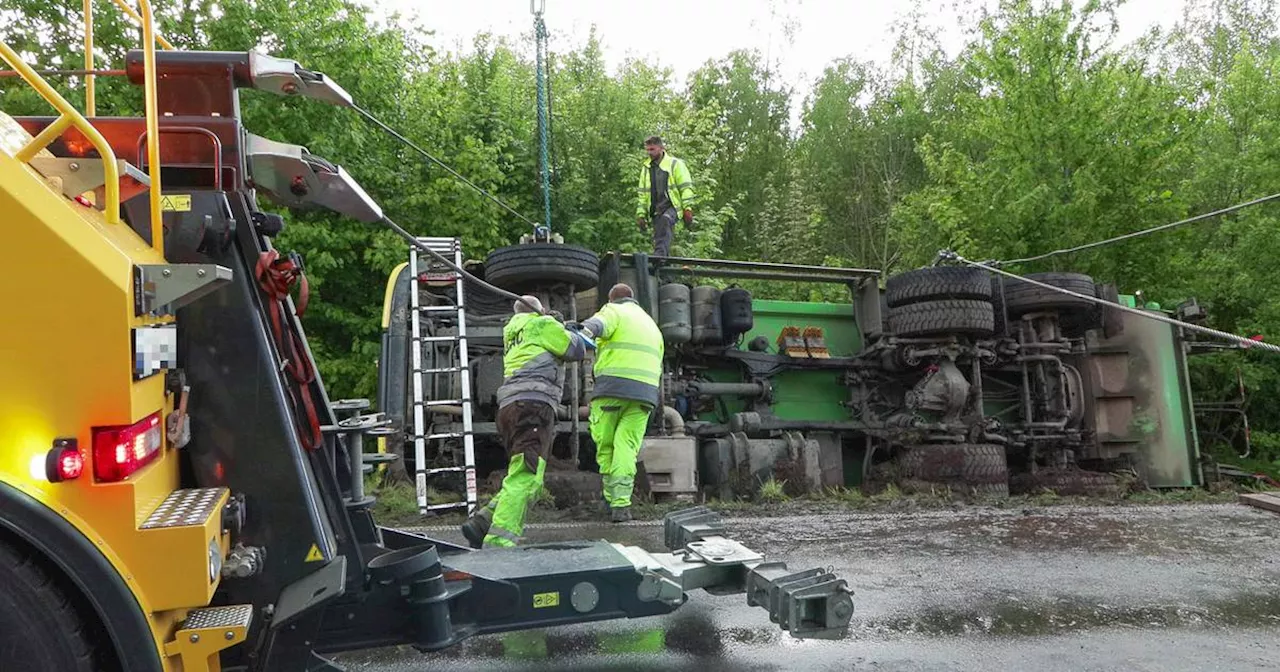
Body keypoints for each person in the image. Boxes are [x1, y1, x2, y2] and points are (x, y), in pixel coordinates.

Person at [460, 294, 587, 548]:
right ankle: (498, 542)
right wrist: (563, 328)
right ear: (539, 311)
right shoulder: (541, 325)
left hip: (510, 408)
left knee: (527, 475)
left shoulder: (512, 330)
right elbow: (576, 349)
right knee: (525, 476)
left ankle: (484, 520)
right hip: (534, 407)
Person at [578, 283, 665, 522]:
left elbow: (596, 326)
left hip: (612, 390)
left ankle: (609, 501)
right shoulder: (651, 324)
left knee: (606, 446)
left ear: (612, 299)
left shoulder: (613, 311)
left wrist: (578, 331)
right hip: (645, 396)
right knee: (626, 447)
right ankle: (622, 506)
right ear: (633, 299)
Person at [636, 136, 696, 257]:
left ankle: (658, 259)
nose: (649, 153)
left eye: (652, 149)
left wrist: (687, 208)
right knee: (660, 237)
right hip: (655, 208)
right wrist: (641, 214)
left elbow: (686, 187)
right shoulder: (646, 168)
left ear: (661, 148)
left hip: (672, 206)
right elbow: (642, 194)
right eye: (647, 150)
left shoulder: (675, 164)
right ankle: (664, 272)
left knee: (665, 221)